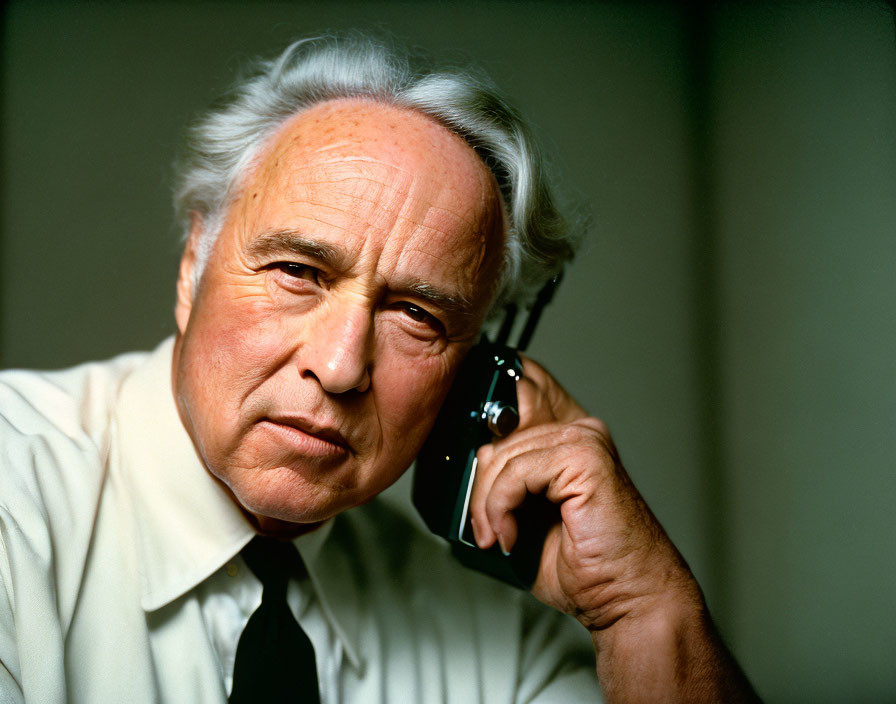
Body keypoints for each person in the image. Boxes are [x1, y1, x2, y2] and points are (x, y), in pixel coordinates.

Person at [0, 35, 758, 702]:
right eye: (298, 271)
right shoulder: (14, 501)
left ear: (474, 370)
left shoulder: (499, 644)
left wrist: (644, 609)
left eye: (417, 316)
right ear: (193, 264)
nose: (338, 367)